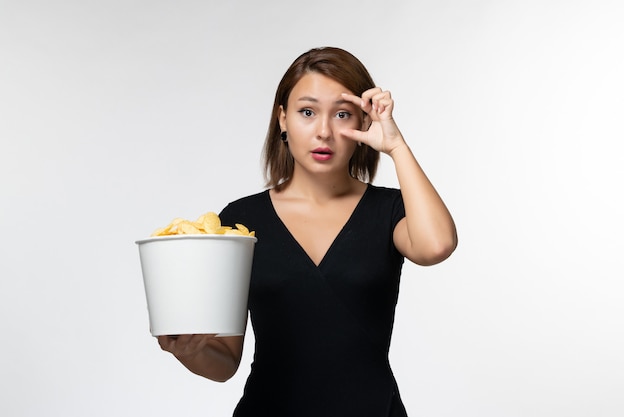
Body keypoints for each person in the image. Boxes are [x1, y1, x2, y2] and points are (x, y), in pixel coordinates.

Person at [157, 46, 457, 416]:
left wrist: (396, 146)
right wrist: (190, 350)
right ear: (283, 118)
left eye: (343, 114)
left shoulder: (389, 211)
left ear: (364, 123)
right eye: (308, 112)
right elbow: (225, 363)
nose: (324, 132)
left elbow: (437, 245)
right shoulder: (240, 220)